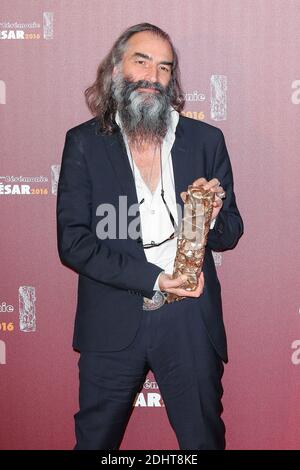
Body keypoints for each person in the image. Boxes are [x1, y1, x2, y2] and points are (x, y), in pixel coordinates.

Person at [57, 23, 243, 450]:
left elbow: (232, 229)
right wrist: (154, 279)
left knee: (203, 443)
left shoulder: (206, 141)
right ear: (116, 68)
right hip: (111, 320)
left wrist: (211, 218)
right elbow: (74, 242)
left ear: (172, 79)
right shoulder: (84, 143)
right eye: (141, 61)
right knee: (95, 443)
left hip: (189, 320)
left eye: (164, 68)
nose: (152, 77)